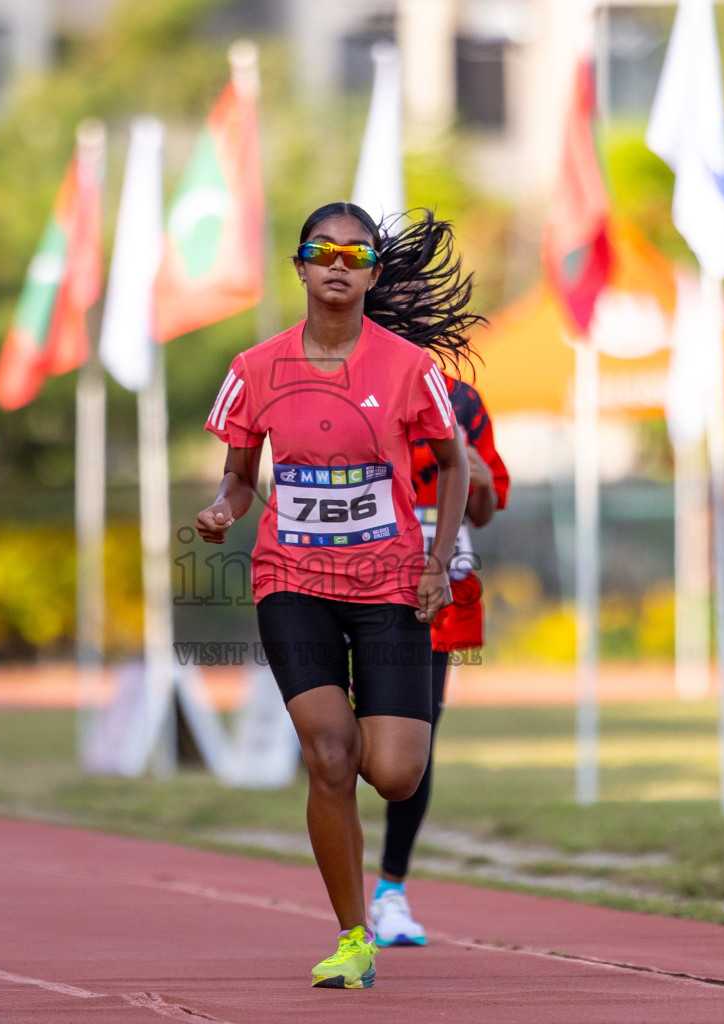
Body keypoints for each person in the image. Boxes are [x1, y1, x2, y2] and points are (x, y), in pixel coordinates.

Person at [197, 203, 479, 989]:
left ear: (372, 274)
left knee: (392, 774)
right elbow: (239, 472)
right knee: (329, 756)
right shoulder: (257, 367)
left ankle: (374, 718)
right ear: (300, 266)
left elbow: (452, 465)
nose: (338, 263)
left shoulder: (406, 368)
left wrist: (433, 565)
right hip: (291, 581)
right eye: (323, 250)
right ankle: (353, 936)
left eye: (356, 253)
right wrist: (225, 509)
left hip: (388, 582)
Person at [370, 374, 507, 947]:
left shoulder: (461, 398)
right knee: (346, 741)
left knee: (414, 750)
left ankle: (389, 891)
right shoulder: (345, 377)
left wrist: (475, 479)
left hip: (436, 586)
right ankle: (346, 883)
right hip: (358, 576)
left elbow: (485, 509)